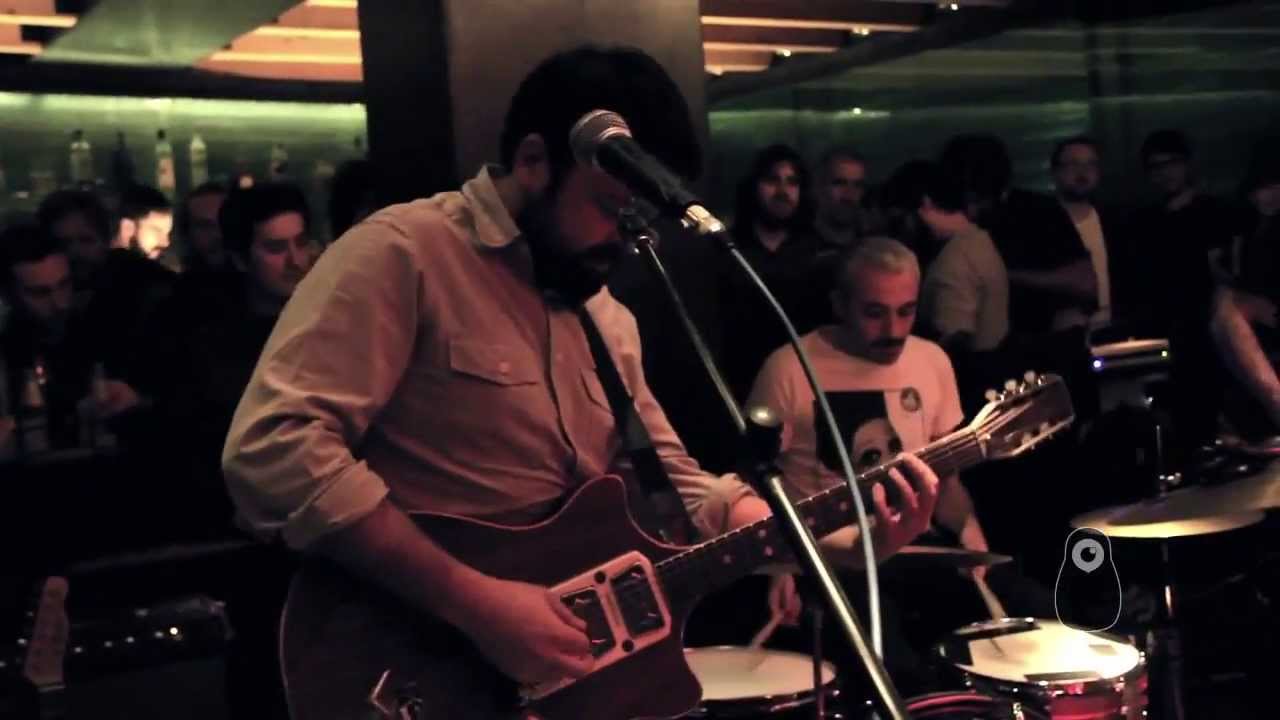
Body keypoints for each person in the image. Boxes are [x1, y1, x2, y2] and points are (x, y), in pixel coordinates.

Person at [220, 45, 942, 705]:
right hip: (406, 663)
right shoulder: (404, 254)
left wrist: (850, 544)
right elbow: (273, 451)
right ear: (535, 161)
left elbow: (687, 493)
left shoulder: (607, 319)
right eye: (608, 208)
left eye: (639, 219)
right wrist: (478, 605)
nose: (625, 240)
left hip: (555, 681)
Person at [748, 237, 1004, 695]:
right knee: (900, 673)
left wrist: (970, 532)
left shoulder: (932, 361)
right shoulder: (788, 368)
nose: (893, 329)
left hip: (915, 547)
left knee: (1007, 638)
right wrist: (779, 567)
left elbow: (946, 477)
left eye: (906, 311)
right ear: (839, 304)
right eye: (874, 313)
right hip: (829, 557)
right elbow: (756, 482)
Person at [722, 144, 832, 401]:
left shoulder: (819, 254)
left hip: (803, 381)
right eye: (773, 180)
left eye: (792, 182)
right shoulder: (726, 249)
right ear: (754, 186)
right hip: (739, 382)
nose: (783, 191)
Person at [814, 146, 876, 249]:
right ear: (818, 188)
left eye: (858, 185)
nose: (849, 194)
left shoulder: (876, 248)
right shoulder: (796, 249)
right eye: (839, 183)